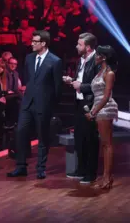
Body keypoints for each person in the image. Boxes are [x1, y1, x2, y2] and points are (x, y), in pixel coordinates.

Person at [7, 30, 62, 179]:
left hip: (43, 105)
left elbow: (58, 88)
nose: (31, 43)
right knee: (20, 132)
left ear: (43, 43)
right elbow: (28, 79)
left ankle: (41, 168)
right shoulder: (29, 58)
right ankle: (21, 166)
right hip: (27, 102)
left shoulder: (55, 61)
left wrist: (51, 106)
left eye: (35, 41)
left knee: (42, 136)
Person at [63, 33, 99, 184]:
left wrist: (82, 86)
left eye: (80, 44)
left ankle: (91, 173)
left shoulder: (97, 61)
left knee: (90, 139)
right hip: (79, 103)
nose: (77, 46)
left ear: (88, 47)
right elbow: (81, 80)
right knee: (79, 138)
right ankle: (81, 169)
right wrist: (72, 81)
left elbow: (100, 85)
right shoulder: (81, 60)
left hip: (91, 104)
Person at [85, 45, 118, 189]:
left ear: (103, 57)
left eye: (97, 54)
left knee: (107, 143)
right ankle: (106, 176)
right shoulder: (100, 72)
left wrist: (93, 112)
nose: (95, 57)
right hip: (98, 108)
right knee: (103, 144)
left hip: (106, 108)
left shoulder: (109, 73)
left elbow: (105, 97)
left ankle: (107, 177)